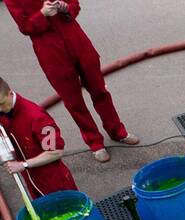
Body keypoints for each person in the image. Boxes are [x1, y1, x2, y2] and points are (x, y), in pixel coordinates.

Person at [3, 0, 137, 161]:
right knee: (74, 102)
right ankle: (95, 143)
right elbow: (25, 27)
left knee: (100, 90)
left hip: (77, 41)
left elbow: (75, 4)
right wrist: (42, 14)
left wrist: (65, 8)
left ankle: (117, 131)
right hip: (50, 52)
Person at [0, 75, 77, 196]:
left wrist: (24, 165)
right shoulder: (4, 111)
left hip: (54, 182)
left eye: (1, 103)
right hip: (31, 179)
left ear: (10, 93)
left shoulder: (38, 117)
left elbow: (56, 151)